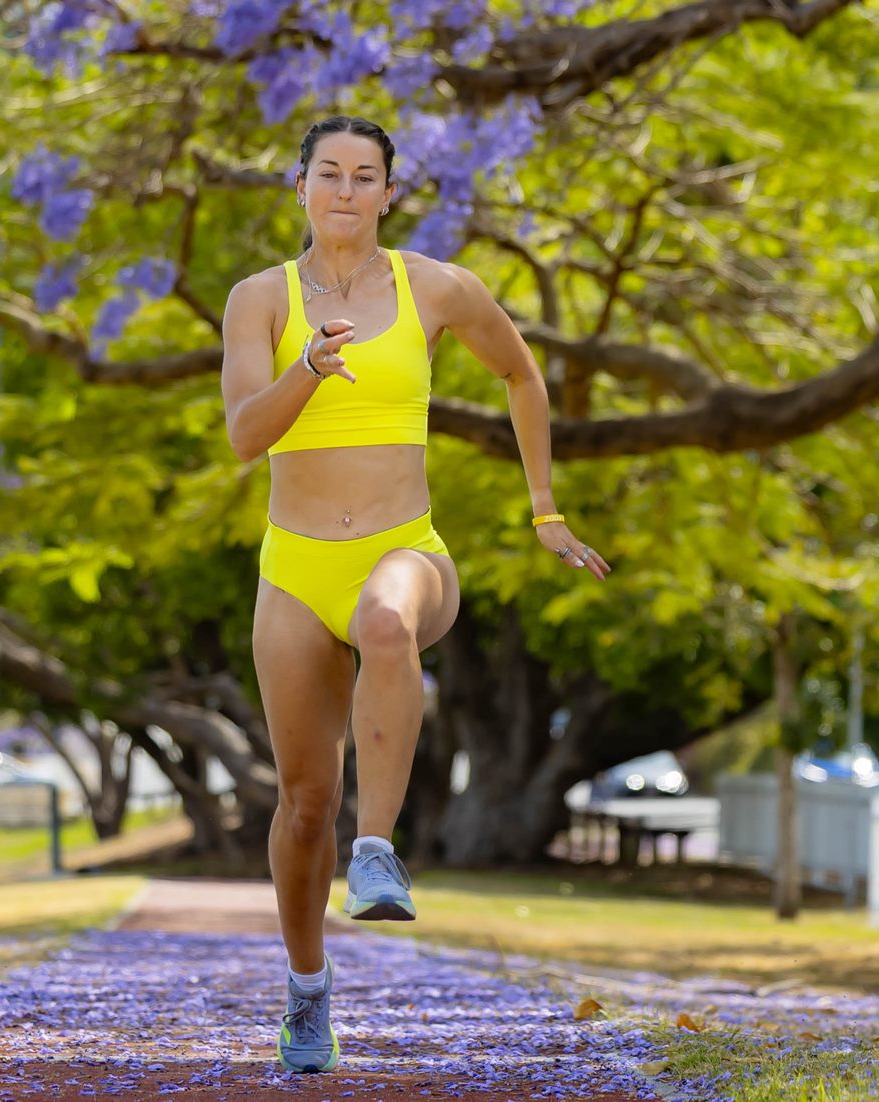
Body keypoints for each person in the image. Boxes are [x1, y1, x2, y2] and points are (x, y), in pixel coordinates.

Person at [220, 115, 610, 1075]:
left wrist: (544, 508)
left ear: (389, 193)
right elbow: (242, 435)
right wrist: (308, 370)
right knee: (305, 801)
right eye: (329, 174)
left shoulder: (434, 287)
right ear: (300, 186)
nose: (346, 191)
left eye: (366, 176)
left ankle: (381, 851)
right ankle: (307, 994)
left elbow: (520, 372)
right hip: (294, 565)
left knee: (388, 623)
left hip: (404, 547)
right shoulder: (258, 301)